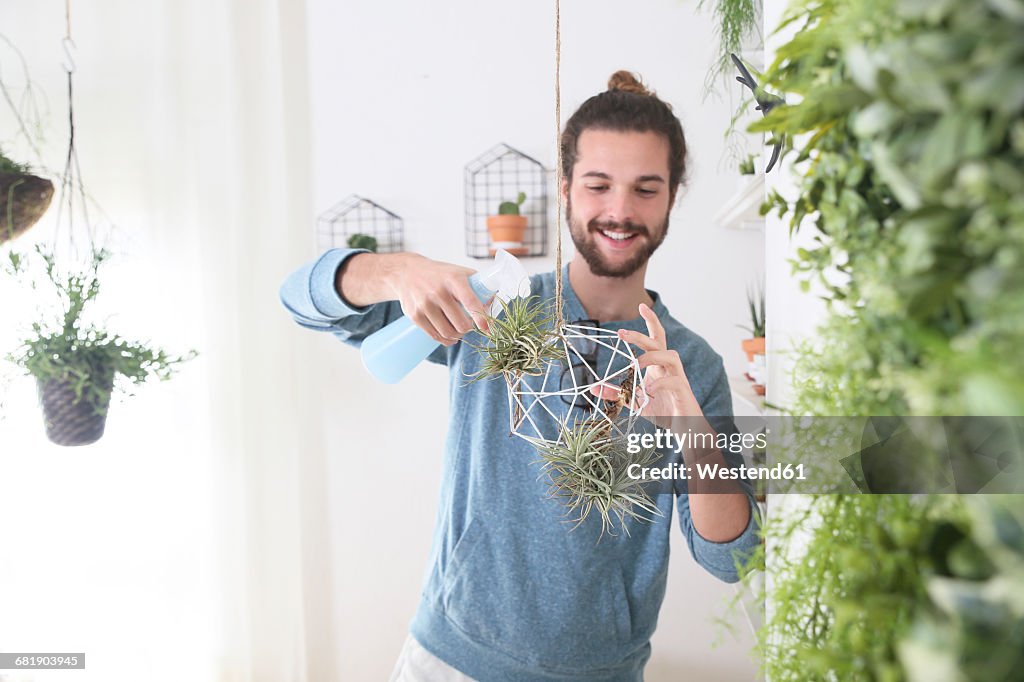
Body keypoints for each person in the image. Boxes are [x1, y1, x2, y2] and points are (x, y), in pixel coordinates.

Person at [279, 70, 761, 682]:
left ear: (671, 198)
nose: (619, 210)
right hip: (449, 660)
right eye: (597, 185)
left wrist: (691, 427)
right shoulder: (495, 306)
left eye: (646, 188)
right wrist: (397, 271)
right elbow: (298, 301)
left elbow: (734, 559)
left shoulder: (689, 366)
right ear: (564, 190)